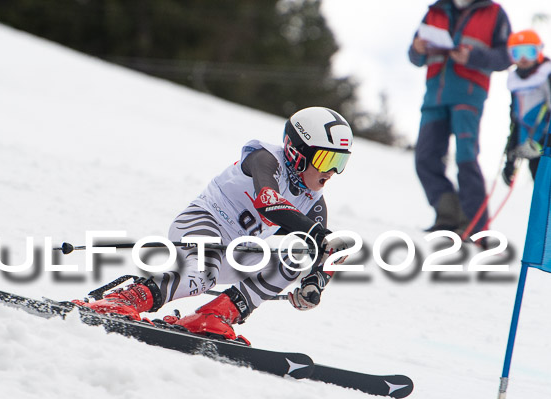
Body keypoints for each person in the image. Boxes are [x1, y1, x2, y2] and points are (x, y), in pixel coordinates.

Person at [75, 107, 353, 341]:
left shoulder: (314, 201)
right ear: (297, 151)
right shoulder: (266, 158)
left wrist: (316, 282)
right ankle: (124, 300)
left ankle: (214, 315)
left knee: (298, 256)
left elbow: (326, 251)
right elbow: (268, 201)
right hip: (202, 223)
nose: (332, 173)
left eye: (340, 162)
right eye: (326, 159)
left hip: (237, 252)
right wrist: (317, 234)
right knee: (202, 274)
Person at [408, 0, 511, 234]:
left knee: (466, 158)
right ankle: (448, 218)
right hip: (434, 96)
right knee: (425, 157)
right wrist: (417, 48)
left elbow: (506, 56)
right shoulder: (434, 11)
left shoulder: (494, 13)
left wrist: (472, 57)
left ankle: (474, 227)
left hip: (468, 96)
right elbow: (414, 57)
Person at [502, 29, 551, 186]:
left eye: (529, 52)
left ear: (538, 52)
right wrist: (511, 157)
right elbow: (516, 119)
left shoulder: (546, 76)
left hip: (545, 149)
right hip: (532, 151)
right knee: (541, 196)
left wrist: (543, 144)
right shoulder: (516, 83)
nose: (523, 58)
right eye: (517, 53)